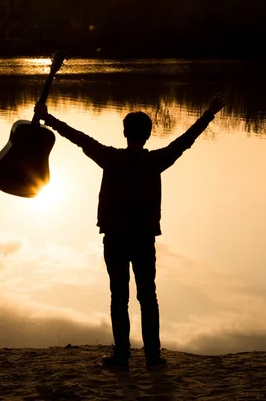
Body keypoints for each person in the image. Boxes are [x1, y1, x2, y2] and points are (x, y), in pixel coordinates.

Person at [34, 93, 226, 369]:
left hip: (115, 238)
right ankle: (152, 356)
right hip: (144, 239)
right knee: (148, 296)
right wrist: (208, 114)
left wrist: (48, 118)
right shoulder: (156, 161)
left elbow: (79, 138)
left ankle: (122, 355)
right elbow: (185, 142)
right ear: (148, 135)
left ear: (125, 133)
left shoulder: (110, 158)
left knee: (119, 297)